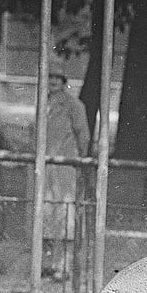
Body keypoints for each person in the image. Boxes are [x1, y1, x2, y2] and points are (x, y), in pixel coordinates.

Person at [43, 61, 90, 280]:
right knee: (46, 215)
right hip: (45, 168)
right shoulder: (43, 103)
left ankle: (64, 266)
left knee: (65, 215)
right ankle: (49, 263)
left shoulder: (74, 105)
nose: (52, 81)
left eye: (57, 78)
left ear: (64, 82)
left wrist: (79, 162)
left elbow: (84, 137)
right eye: (49, 76)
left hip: (65, 168)